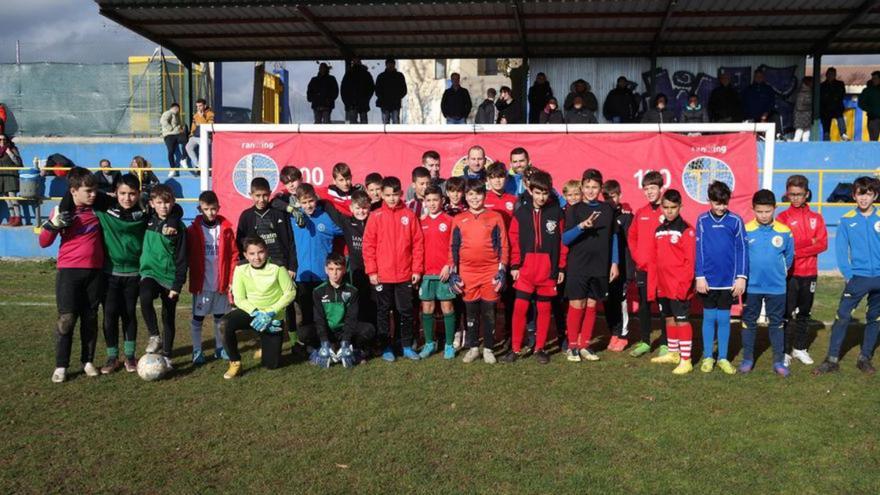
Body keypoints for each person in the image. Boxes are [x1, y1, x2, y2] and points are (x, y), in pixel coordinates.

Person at [39, 167, 105, 383]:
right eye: (88, 191)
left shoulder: (98, 210)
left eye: (95, 190)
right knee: (67, 319)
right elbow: (43, 242)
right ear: (74, 191)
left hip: (95, 271)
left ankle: (87, 361)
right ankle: (61, 365)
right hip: (69, 271)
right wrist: (52, 225)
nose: (93, 195)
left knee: (90, 317)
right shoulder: (60, 211)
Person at [814, 176, 880, 375]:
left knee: (875, 318)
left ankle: (865, 358)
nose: (864, 198)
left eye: (868, 194)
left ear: (875, 195)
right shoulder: (846, 220)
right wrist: (849, 275)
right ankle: (832, 360)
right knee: (842, 316)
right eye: (860, 194)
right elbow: (842, 251)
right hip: (857, 278)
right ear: (854, 195)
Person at [503, 170, 566, 364]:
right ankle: (515, 348)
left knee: (544, 309)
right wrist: (515, 264)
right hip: (525, 269)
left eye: (545, 193)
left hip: (547, 270)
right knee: (520, 308)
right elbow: (514, 240)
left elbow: (562, 242)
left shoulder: (556, 212)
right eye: (537, 193)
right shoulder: (521, 212)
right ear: (530, 191)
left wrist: (561, 267)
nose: (541, 197)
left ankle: (540, 348)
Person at [362, 176, 424, 361]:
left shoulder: (409, 216)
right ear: (381, 194)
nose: (391, 198)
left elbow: (418, 244)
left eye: (395, 195)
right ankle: (386, 347)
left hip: (405, 274)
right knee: (383, 311)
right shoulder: (375, 216)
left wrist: (416, 269)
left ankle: (405, 345)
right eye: (388, 195)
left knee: (405, 311)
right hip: (383, 275)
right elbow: (368, 245)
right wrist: (372, 271)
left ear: (401, 194)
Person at [560, 169, 618, 363]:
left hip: (600, 266)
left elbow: (614, 237)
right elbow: (565, 239)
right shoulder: (574, 209)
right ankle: (572, 346)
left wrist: (615, 263)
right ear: (582, 187)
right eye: (587, 187)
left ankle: (584, 344)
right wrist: (581, 227)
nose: (591, 191)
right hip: (578, 265)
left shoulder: (608, 209)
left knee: (592, 305)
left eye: (594, 187)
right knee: (578, 304)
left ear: (601, 188)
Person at [448, 180, 509, 364]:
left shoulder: (495, 217)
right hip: (467, 272)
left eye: (478, 194)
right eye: (471, 194)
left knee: (489, 310)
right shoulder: (459, 219)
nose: (475, 198)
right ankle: (473, 347)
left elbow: (504, 245)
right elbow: (453, 247)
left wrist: (502, 269)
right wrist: (453, 271)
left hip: (490, 271)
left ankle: (489, 348)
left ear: (485, 195)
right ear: (466, 197)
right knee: (471, 311)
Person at [220, 236, 296, 379]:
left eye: (260, 252)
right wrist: (256, 313)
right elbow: (239, 298)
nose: (257, 257)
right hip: (252, 313)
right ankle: (235, 362)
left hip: (272, 318)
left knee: (271, 365)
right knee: (224, 324)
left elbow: (290, 292)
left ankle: (265, 347)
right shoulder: (240, 268)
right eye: (252, 253)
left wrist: (270, 313)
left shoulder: (278, 267)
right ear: (245, 255)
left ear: (266, 251)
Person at [695, 181, 748, 375]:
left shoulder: (735, 221)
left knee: (724, 319)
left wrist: (741, 277)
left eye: (724, 203)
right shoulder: (702, 221)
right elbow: (699, 250)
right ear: (709, 200)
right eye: (717, 203)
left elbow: (742, 249)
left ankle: (723, 358)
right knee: (709, 318)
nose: (721, 207)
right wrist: (700, 276)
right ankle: (708, 356)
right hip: (708, 281)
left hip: (728, 281)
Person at [739, 189, 794, 376]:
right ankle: (748, 359)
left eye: (767, 211)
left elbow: (789, 258)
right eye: (759, 211)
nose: (763, 215)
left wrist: (778, 274)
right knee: (749, 321)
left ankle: (778, 361)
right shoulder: (746, 230)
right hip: (752, 286)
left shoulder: (784, 231)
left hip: (776, 287)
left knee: (776, 323)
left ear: (775, 208)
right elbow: (741, 256)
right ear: (753, 209)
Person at [776, 175, 827, 365]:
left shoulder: (816, 218)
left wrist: (797, 249)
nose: (795, 198)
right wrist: (808, 242)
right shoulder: (782, 218)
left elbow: (822, 244)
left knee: (804, 312)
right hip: (790, 273)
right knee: (786, 313)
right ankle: (784, 351)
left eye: (799, 194)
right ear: (787, 194)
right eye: (792, 194)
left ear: (806, 194)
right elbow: (784, 246)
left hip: (810, 273)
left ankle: (799, 348)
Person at [236, 177, 297, 332]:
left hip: (281, 264)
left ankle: (293, 338)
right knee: (261, 299)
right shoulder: (246, 216)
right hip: (259, 266)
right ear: (251, 195)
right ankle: (262, 333)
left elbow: (290, 240)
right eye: (257, 195)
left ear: (270, 193)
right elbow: (241, 244)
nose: (261, 199)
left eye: (265, 195)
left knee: (287, 303)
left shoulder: (278, 213)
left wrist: (291, 266)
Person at [648, 189, 697, 375]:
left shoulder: (686, 230)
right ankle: (673, 353)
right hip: (663, 286)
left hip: (679, 286)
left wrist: (684, 286)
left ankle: (686, 360)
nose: (669, 211)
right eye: (666, 207)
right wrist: (654, 286)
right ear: (661, 207)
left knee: (682, 320)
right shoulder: (659, 230)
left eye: (673, 207)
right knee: (669, 318)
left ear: (680, 207)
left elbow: (690, 262)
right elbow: (655, 260)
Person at [138, 184, 187, 368]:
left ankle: (167, 355)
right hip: (149, 272)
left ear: (173, 202)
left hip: (169, 277)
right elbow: (141, 198)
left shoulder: (179, 228)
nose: (163, 206)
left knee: (168, 316)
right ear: (152, 203)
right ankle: (154, 336)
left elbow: (182, 259)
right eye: (159, 203)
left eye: (167, 202)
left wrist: (177, 285)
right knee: (144, 297)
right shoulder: (148, 219)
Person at [187, 190, 238, 365]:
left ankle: (219, 348)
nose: (210, 212)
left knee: (220, 317)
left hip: (220, 283)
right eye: (206, 209)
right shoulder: (193, 230)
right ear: (200, 209)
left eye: (214, 208)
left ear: (219, 207)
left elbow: (233, 255)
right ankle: (197, 350)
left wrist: (231, 279)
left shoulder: (226, 229)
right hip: (202, 284)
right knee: (198, 318)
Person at [300, 254, 375, 368]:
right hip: (328, 331)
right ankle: (322, 349)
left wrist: (346, 341)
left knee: (369, 329)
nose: (334, 273)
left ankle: (352, 350)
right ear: (326, 270)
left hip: (344, 331)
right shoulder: (318, 291)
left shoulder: (352, 291)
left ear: (344, 270)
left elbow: (351, 318)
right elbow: (319, 319)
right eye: (331, 269)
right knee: (303, 333)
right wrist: (324, 341)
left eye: (338, 269)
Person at [291, 183, 344, 330]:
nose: (308, 205)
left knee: (324, 313)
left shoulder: (326, 217)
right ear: (298, 202)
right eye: (304, 202)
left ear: (316, 198)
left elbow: (346, 228)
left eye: (311, 201)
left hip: (323, 275)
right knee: (306, 313)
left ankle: (326, 340)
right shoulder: (293, 218)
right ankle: (309, 342)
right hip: (303, 275)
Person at [627, 171, 668, 358]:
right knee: (644, 306)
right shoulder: (641, 212)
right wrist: (639, 258)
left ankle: (666, 343)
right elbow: (632, 237)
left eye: (652, 188)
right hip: (644, 268)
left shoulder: (668, 211)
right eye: (646, 189)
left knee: (664, 306)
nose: (649, 192)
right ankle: (645, 341)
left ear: (661, 188)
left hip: (662, 270)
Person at [417, 185, 457, 359]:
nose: (432, 203)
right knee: (427, 307)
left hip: (444, 272)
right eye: (429, 200)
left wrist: (449, 265)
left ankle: (449, 345)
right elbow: (416, 248)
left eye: (435, 200)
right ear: (424, 202)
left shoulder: (449, 220)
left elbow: (454, 246)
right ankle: (429, 343)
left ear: (442, 200)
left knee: (447, 306)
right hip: (426, 273)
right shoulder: (420, 222)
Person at [602, 179, 634, 352]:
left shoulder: (627, 217)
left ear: (620, 195)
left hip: (622, 267)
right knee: (608, 301)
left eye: (613, 196)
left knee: (621, 301)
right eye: (606, 197)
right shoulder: (602, 214)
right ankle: (613, 332)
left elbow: (632, 245)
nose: (610, 200)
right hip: (604, 267)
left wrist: (630, 269)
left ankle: (623, 335)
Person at [340, 58, 375, 124]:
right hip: (354, 102)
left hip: (359, 102)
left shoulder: (349, 74)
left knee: (359, 122)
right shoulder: (350, 74)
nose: (356, 63)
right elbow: (343, 89)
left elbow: (371, 88)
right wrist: (347, 102)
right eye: (355, 61)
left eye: (356, 61)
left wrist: (366, 98)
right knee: (359, 122)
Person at [375, 58, 407, 124]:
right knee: (386, 124)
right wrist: (382, 97)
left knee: (395, 122)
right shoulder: (381, 76)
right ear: (386, 65)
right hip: (384, 104)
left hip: (395, 104)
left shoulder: (399, 76)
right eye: (389, 64)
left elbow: (404, 90)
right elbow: (377, 90)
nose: (390, 66)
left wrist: (397, 97)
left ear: (394, 65)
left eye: (392, 64)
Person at [159, 103, 188, 178]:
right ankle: (172, 169)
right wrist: (170, 128)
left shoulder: (177, 115)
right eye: (178, 109)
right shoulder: (168, 113)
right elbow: (163, 121)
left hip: (177, 134)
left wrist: (181, 129)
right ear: (175, 108)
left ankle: (183, 159)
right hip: (169, 135)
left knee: (185, 141)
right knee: (171, 151)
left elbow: (179, 124)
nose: (178, 111)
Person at [0, 134, 23, 225]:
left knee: (13, 198)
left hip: (11, 176)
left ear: (7, 140)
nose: (2, 141)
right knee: (6, 199)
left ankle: (18, 218)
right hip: (2, 177)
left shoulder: (12, 149)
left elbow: (19, 163)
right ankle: (12, 218)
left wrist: (10, 153)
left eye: (4, 139)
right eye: (0, 139)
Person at [820, 67, 848, 141]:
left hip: (837, 107)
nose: (831, 76)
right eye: (829, 74)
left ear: (835, 75)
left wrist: (834, 99)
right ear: (826, 75)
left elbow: (842, 94)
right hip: (825, 108)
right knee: (826, 127)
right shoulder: (822, 85)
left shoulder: (840, 84)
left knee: (840, 118)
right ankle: (826, 138)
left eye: (833, 74)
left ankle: (843, 134)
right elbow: (821, 97)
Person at [184, 98, 214, 168]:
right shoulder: (196, 115)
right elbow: (193, 126)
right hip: (195, 136)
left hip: (206, 137)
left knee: (202, 149)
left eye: (200, 106)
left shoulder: (210, 114)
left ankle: (201, 168)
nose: (198, 108)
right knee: (188, 147)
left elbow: (209, 126)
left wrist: (201, 117)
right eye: (197, 106)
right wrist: (191, 135)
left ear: (204, 106)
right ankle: (198, 165)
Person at [858, 71, 880, 141]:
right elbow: (861, 103)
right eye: (872, 78)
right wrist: (871, 110)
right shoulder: (867, 90)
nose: (873, 80)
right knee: (873, 140)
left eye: (875, 78)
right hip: (873, 119)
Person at [792, 77, 814, 142]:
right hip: (802, 115)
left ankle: (804, 145)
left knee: (805, 132)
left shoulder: (805, 91)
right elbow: (799, 105)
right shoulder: (804, 92)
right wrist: (809, 106)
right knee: (800, 132)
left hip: (804, 115)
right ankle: (796, 145)